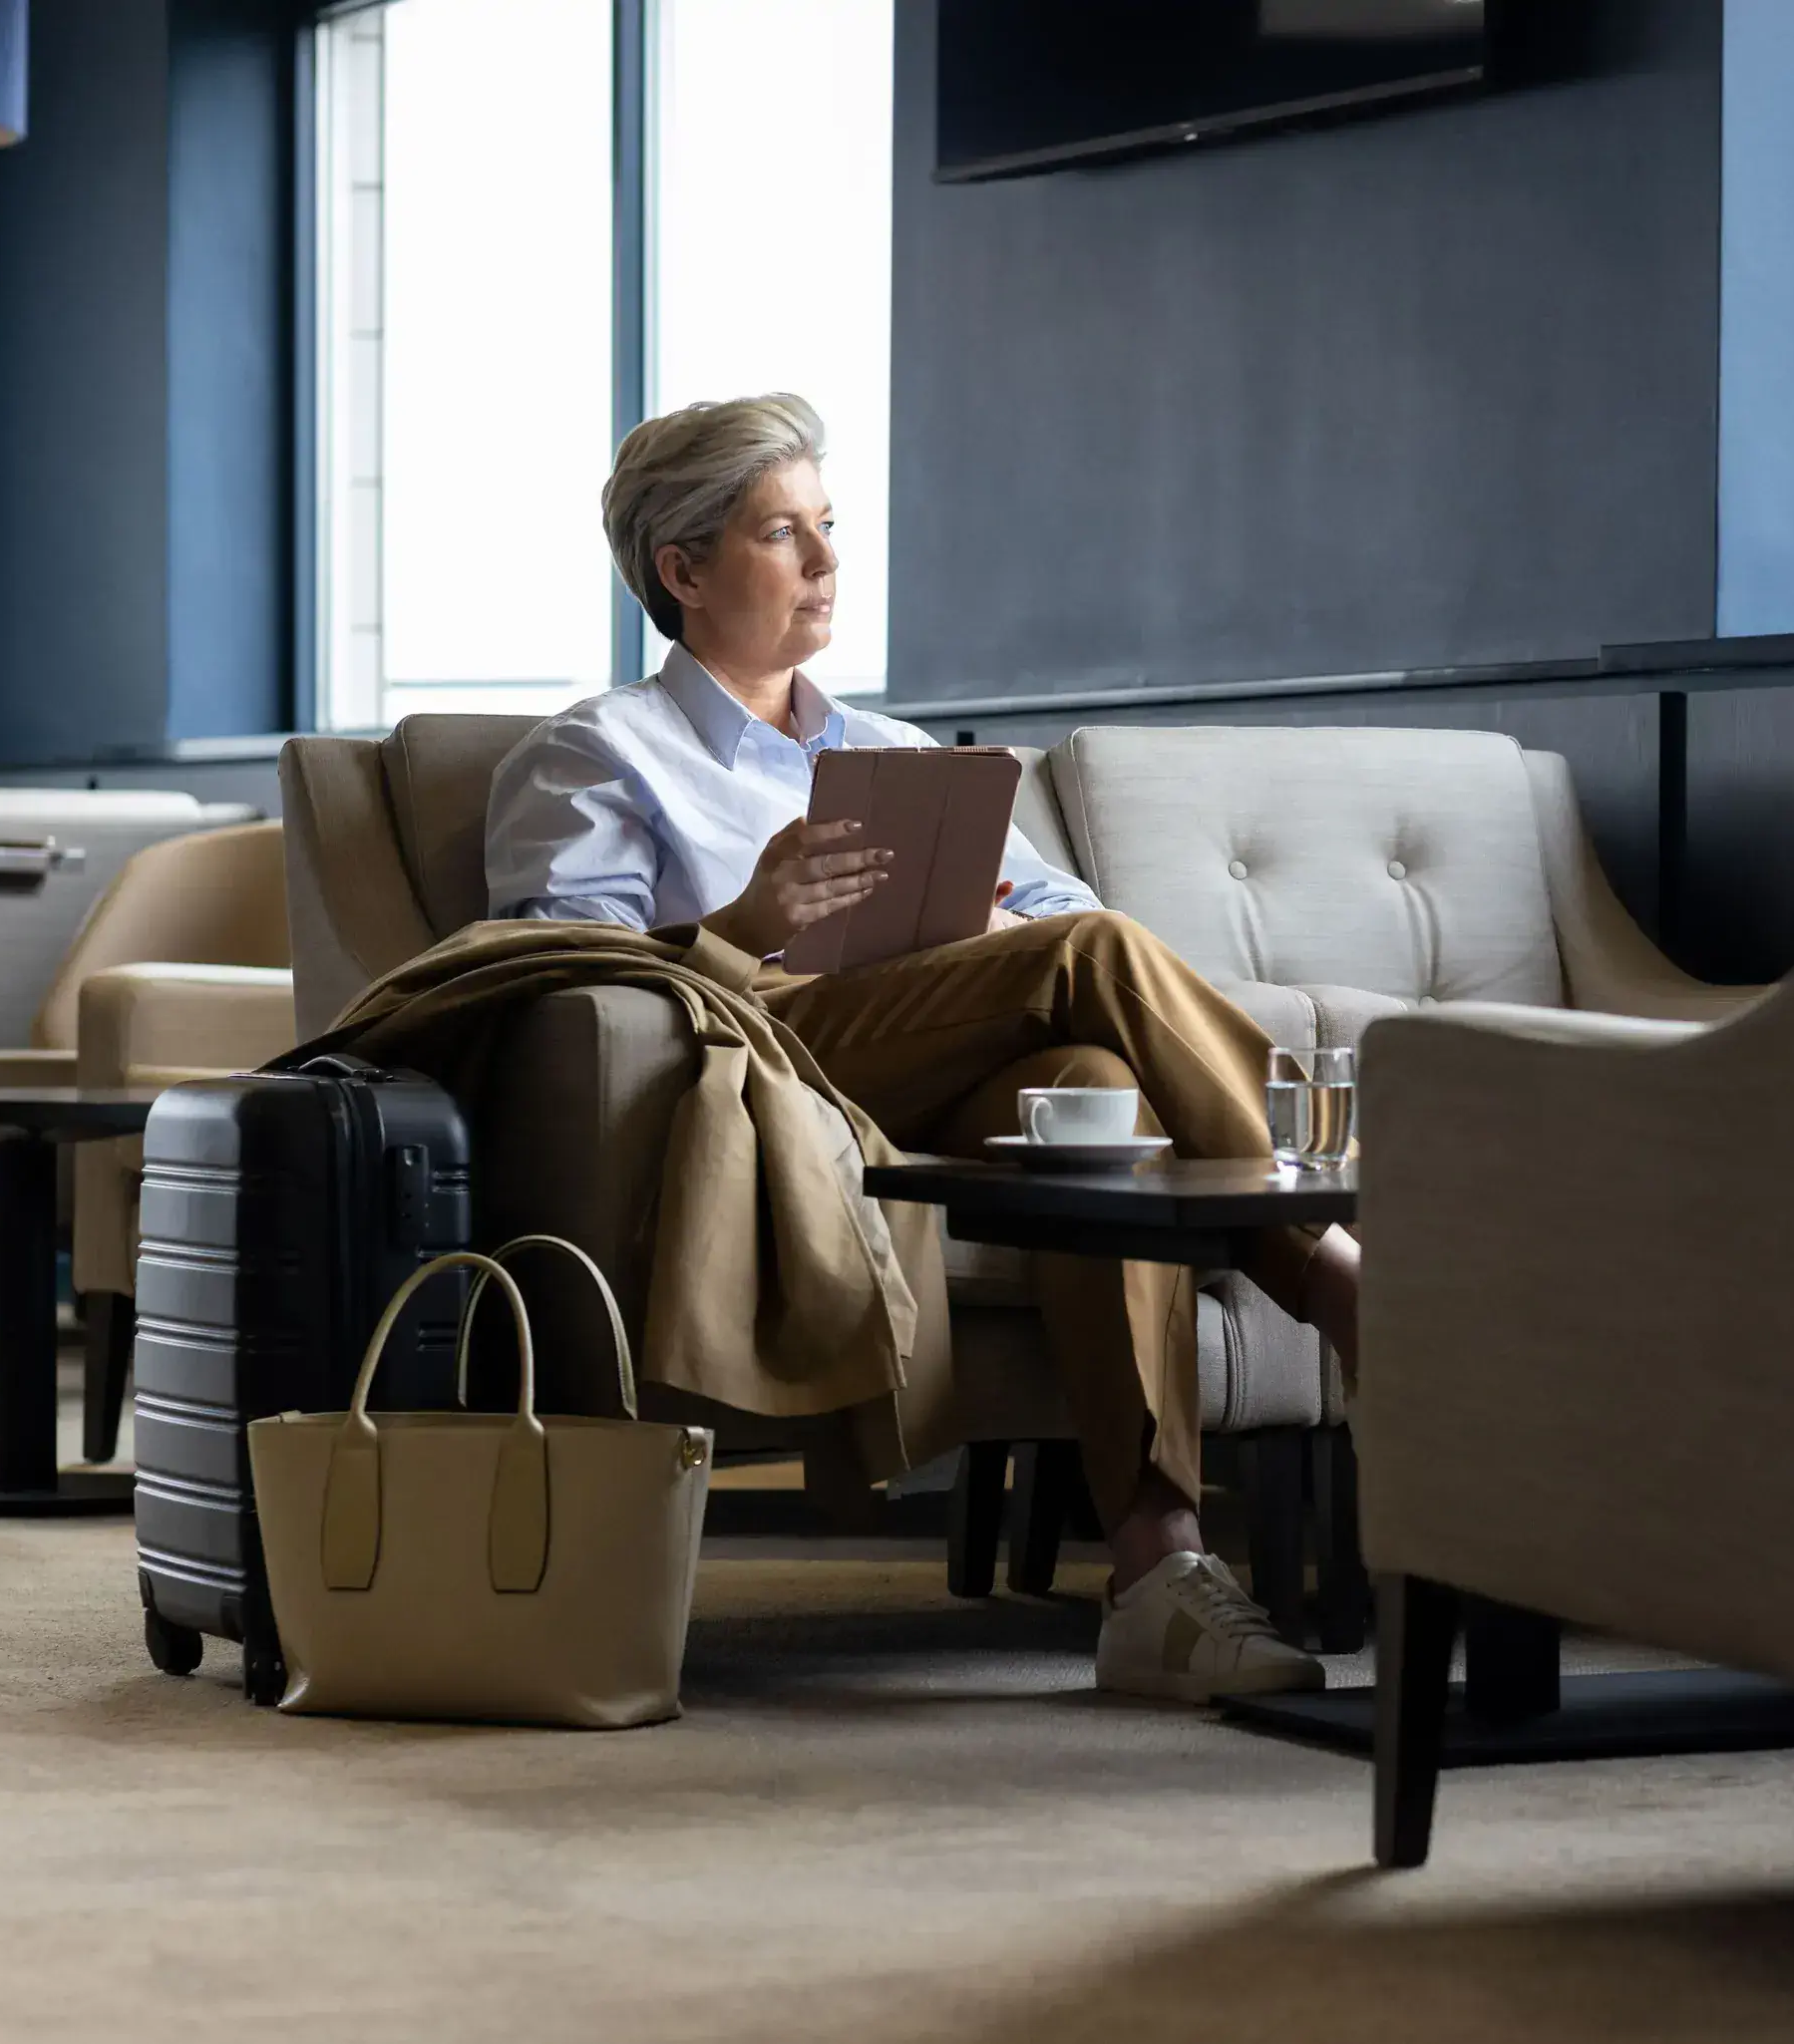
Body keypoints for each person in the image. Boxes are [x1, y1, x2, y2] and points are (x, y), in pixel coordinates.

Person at [485, 393, 1366, 1703]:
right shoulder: (600, 750)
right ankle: (1344, 1273)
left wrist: (996, 921)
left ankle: (1157, 1571)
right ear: (682, 569)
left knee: (1096, 1087)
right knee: (1100, 958)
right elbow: (565, 984)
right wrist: (746, 921)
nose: (830, 563)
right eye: (785, 535)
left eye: (828, 528)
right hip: (751, 1059)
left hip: (927, 1059)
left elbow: (1060, 912)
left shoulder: (890, 754)